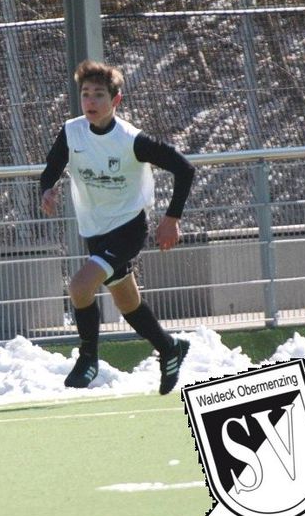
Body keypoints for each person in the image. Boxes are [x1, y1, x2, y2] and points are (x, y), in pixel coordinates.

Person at [39, 60, 196, 395]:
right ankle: (169, 347)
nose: (91, 101)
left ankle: (88, 359)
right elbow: (52, 166)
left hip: (128, 226)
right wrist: (47, 189)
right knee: (127, 301)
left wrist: (171, 218)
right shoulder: (72, 132)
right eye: (85, 95)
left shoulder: (130, 140)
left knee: (80, 286)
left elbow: (184, 168)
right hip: (94, 229)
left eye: (99, 94)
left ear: (116, 101)